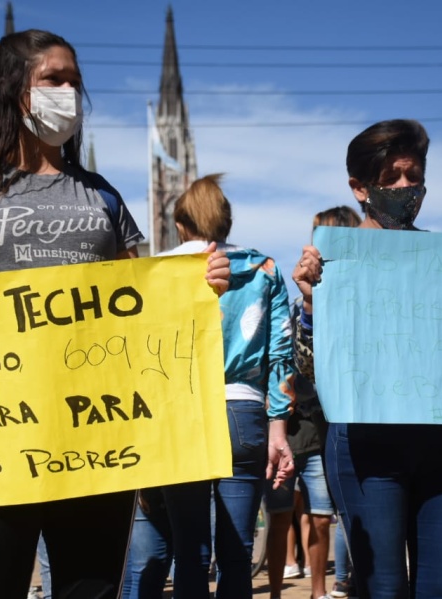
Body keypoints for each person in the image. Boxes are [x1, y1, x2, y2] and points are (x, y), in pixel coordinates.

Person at [0, 29, 230, 599]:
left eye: (74, 81)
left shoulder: (103, 196)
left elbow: (140, 313)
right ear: (13, 90)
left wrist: (195, 288)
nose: (68, 92)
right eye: (53, 79)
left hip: (96, 445)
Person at [291, 119, 442, 599]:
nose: (406, 187)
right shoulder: (333, 265)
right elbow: (306, 371)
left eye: (415, 176)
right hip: (366, 446)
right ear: (360, 188)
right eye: (392, 177)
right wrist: (310, 305)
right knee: (383, 588)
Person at [157, 173, 295, 599]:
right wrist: (278, 430)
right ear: (227, 221)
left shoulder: (159, 270)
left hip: (182, 413)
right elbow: (281, 354)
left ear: (181, 225)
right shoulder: (264, 269)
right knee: (237, 554)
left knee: (190, 552)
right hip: (245, 412)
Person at [266, 205, 360, 599]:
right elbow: (296, 372)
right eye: (316, 238)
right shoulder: (298, 305)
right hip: (290, 429)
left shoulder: (363, 301)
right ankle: (276, 591)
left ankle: (319, 591)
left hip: (326, 433)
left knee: (322, 518)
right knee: (280, 517)